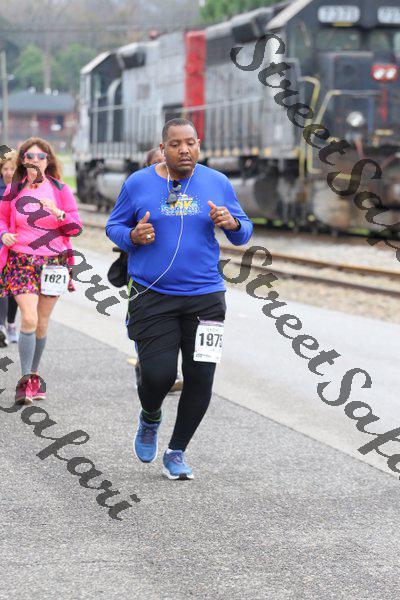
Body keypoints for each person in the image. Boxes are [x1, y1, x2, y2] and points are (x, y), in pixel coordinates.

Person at [106, 118, 253, 480]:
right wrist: (132, 237)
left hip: (206, 298)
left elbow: (244, 232)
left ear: (198, 144)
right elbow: (113, 226)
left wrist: (232, 223)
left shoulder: (217, 182)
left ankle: (176, 451)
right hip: (152, 295)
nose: (184, 150)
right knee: (158, 376)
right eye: (175, 144)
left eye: (191, 143)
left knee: (201, 379)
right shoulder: (138, 183)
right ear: (163, 148)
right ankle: (150, 416)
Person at [0, 137, 82, 404]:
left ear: (48, 160)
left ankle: (34, 375)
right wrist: (3, 234)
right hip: (21, 260)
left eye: (40, 157)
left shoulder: (60, 189)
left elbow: (75, 228)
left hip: (54, 263)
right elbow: (2, 217)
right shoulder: (14, 189)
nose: (35, 161)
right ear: (23, 161)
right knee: (29, 317)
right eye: (29, 157)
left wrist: (58, 213)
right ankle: (25, 381)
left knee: (42, 323)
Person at [0, 151, 19, 346]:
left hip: (17, 244)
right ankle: (2, 327)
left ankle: (11, 324)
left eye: (12, 168)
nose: (8, 172)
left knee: (13, 288)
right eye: (5, 168)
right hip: (1, 242)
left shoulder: (22, 190)